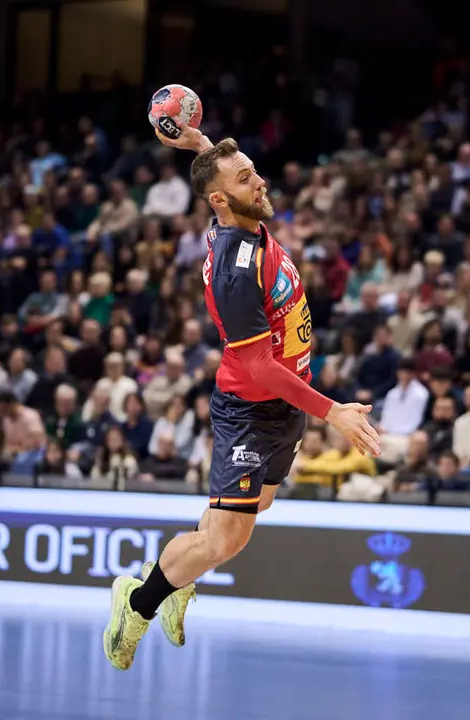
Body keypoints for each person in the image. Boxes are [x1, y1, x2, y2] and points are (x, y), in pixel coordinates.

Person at [102, 122, 381, 671]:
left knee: (252, 512)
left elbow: (219, 177)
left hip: (283, 404)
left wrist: (202, 143)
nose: (260, 183)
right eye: (246, 178)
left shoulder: (239, 216)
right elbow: (257, 363)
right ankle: (138, 602)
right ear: (220, 200)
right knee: (226, 538)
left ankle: (180, 578)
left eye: (254, 171)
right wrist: (332, 412)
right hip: (253, 408)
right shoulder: (235, 269)